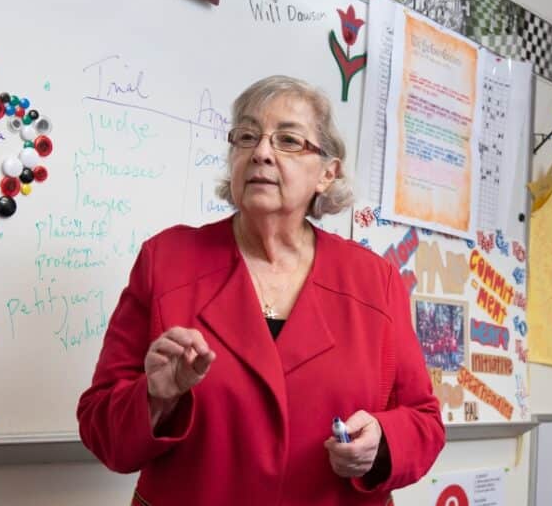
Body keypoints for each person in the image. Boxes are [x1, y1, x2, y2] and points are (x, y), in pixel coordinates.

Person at [77, 75, 445, 505]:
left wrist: (381, 443)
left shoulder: (374, 280)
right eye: (247, 136)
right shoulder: (166, 260)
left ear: (327, 173)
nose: (262, 153)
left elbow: (424, 423)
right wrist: (156, 397)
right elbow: (101, 429)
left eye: (288, 140)